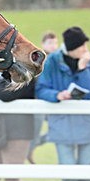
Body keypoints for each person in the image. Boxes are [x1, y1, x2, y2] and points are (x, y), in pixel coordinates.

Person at [36, 26, 90, 181]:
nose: (85, 49)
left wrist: (82, 70)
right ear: (73, 47)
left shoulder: (89, 61)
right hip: (62, 124)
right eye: (82, 45)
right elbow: (41, 90)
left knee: (85, 173)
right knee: (69, 174)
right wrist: (58, 95)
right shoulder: (53, 62)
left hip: (87, 124)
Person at [28, 31, 60, 163]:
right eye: (50, 43)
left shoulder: (59, 58)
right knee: (36, 131)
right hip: (39, 100)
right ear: (43, 44)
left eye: (55, 43)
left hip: (54, 99)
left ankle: (30, 149)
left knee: (55, 130)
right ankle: (29, 151)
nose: (53, 45)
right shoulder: (39, 58)